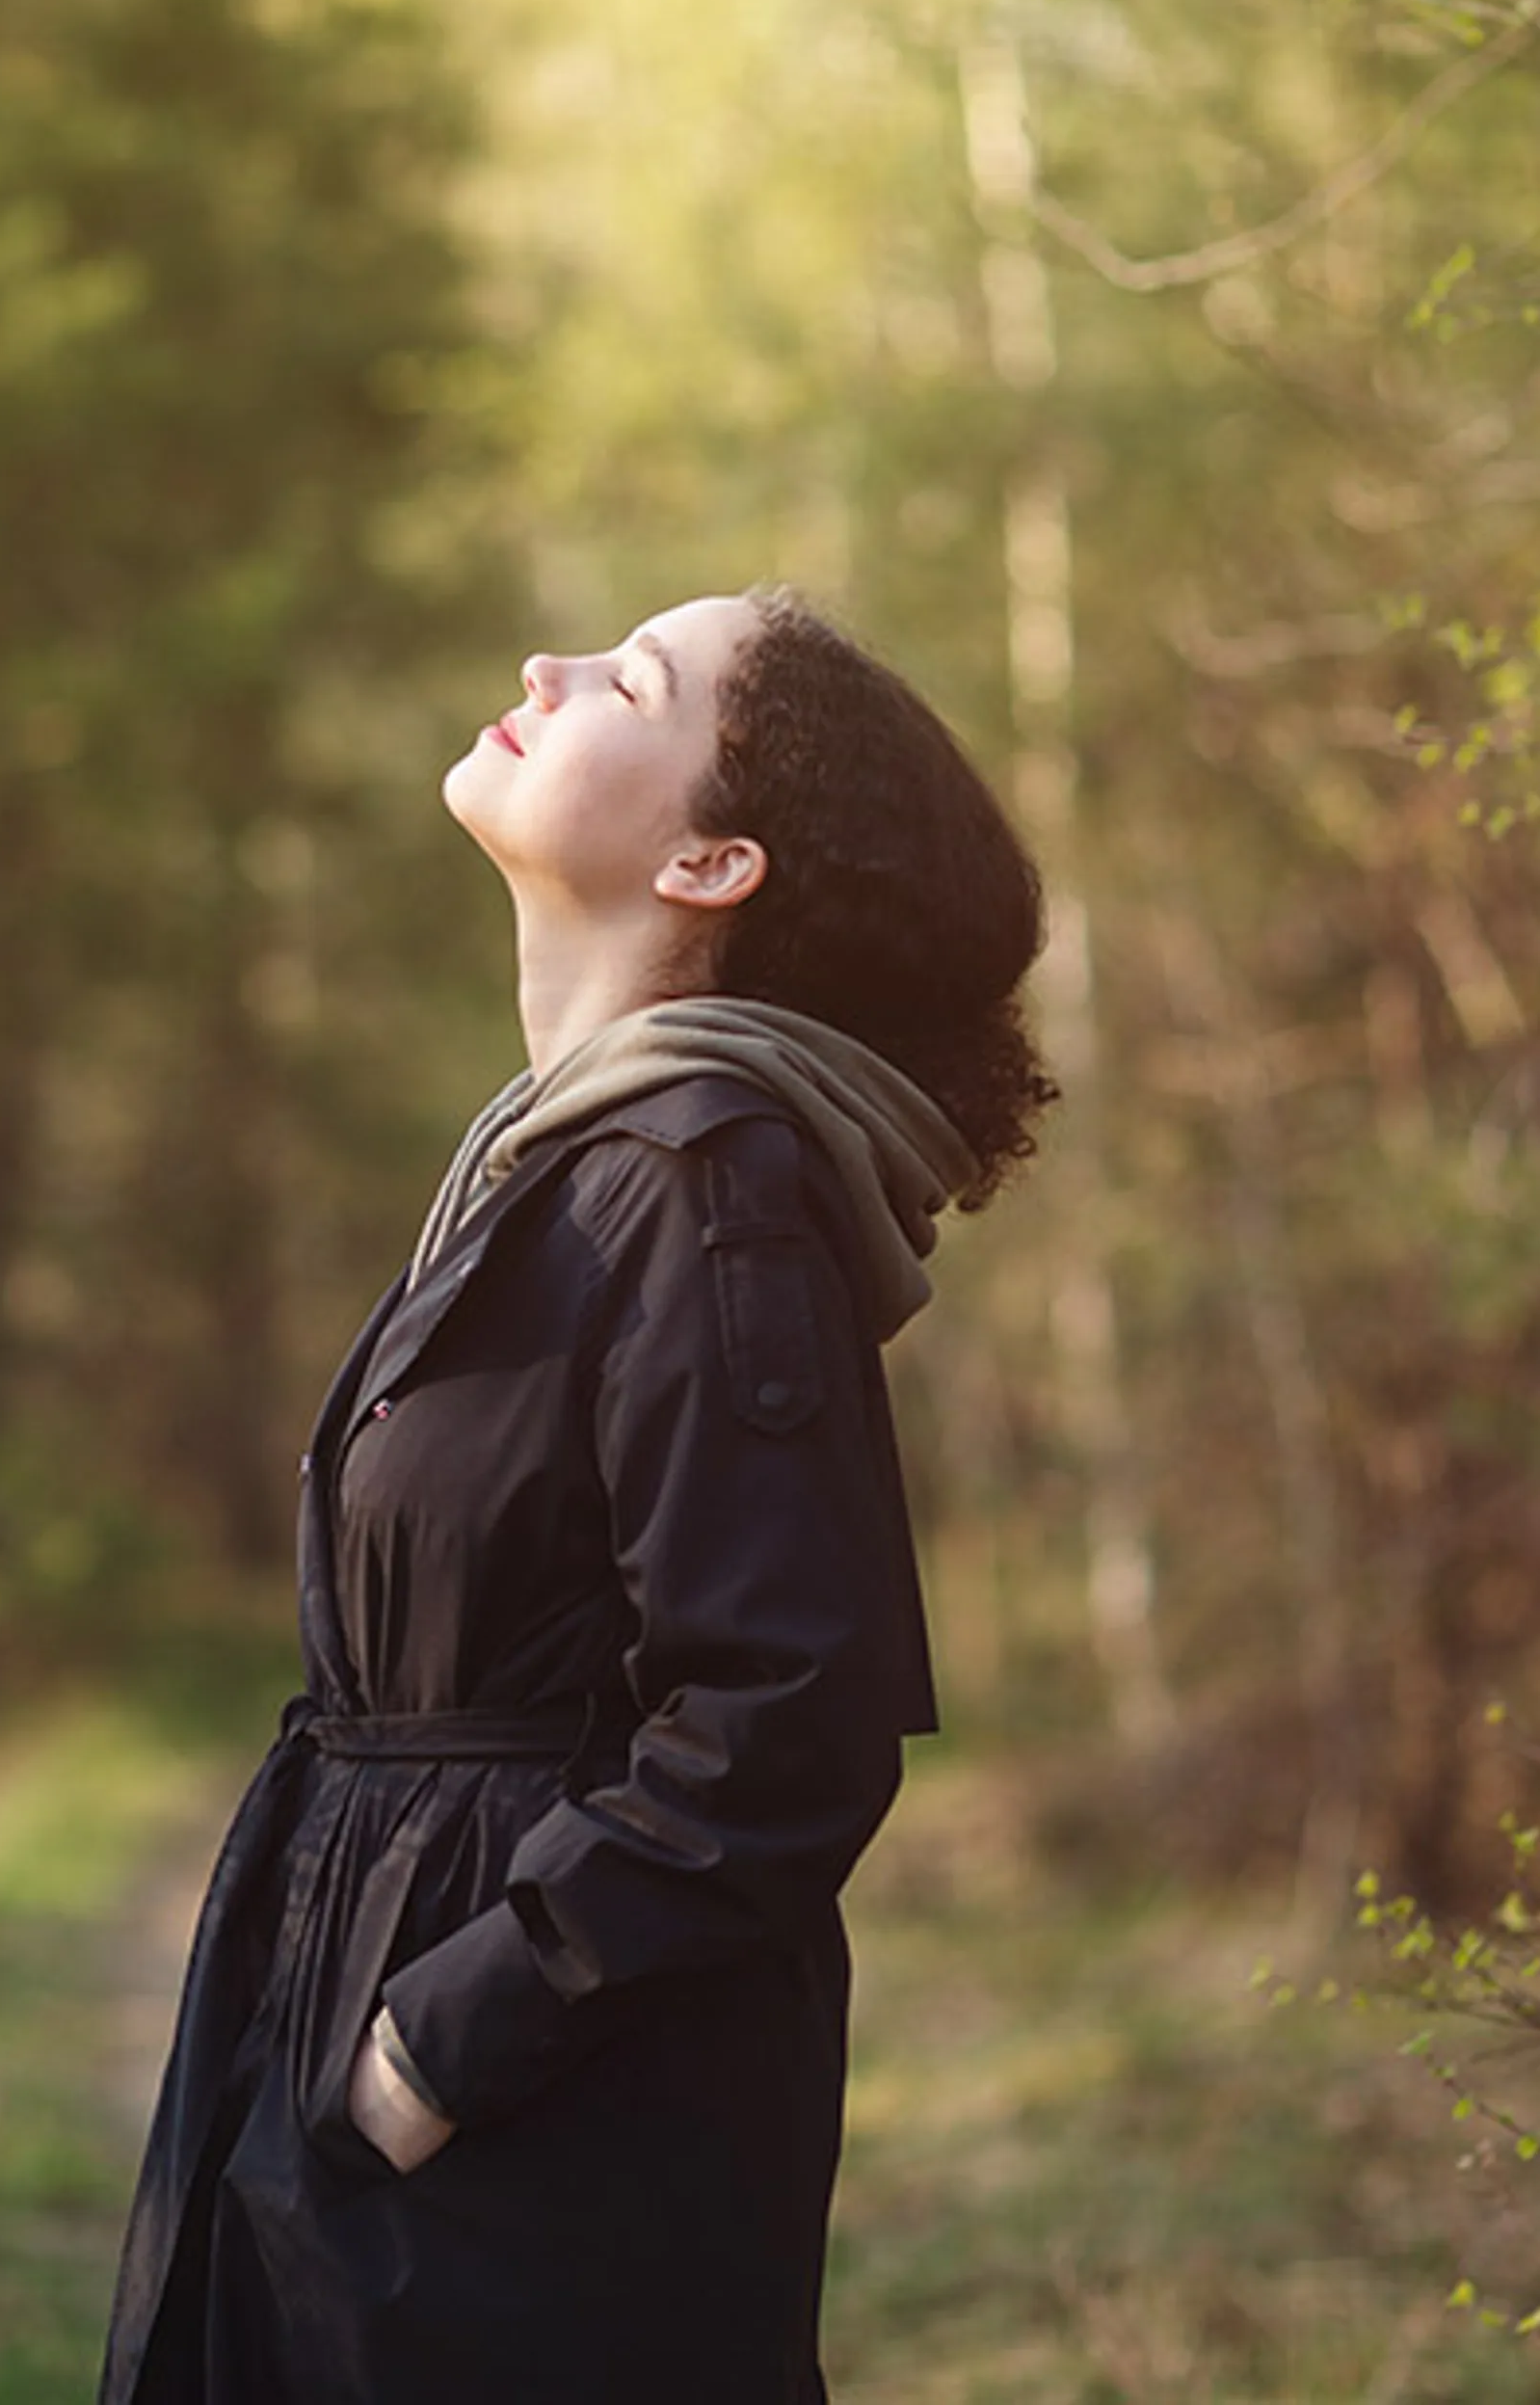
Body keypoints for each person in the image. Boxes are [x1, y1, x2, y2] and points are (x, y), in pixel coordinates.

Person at [99, 589, 1053, 2404]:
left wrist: (443, 2045)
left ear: (712, 859)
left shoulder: (711, 1187)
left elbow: (789, 1727)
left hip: (539, 2128)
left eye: (632, 681)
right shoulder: (560, 1167)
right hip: (394, 2036)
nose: (544, 670)